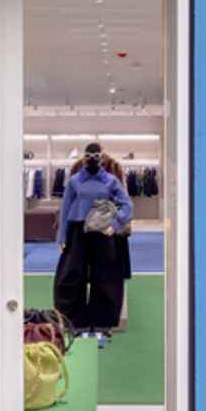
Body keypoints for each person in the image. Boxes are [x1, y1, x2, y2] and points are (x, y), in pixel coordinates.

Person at [53, 142, 133, 337]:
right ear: (84, 157)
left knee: (106, 275)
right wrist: (62, 235)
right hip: (77, 230)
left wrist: (115, 225)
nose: (92, 160)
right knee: (71, 274)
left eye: (96, 156)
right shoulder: (74, 181)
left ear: (101, 157)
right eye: (88, 156)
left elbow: (127, 205)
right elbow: (65, 208)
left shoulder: (111, 180)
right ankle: (73, 319)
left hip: (102, 231)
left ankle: (103, 321)